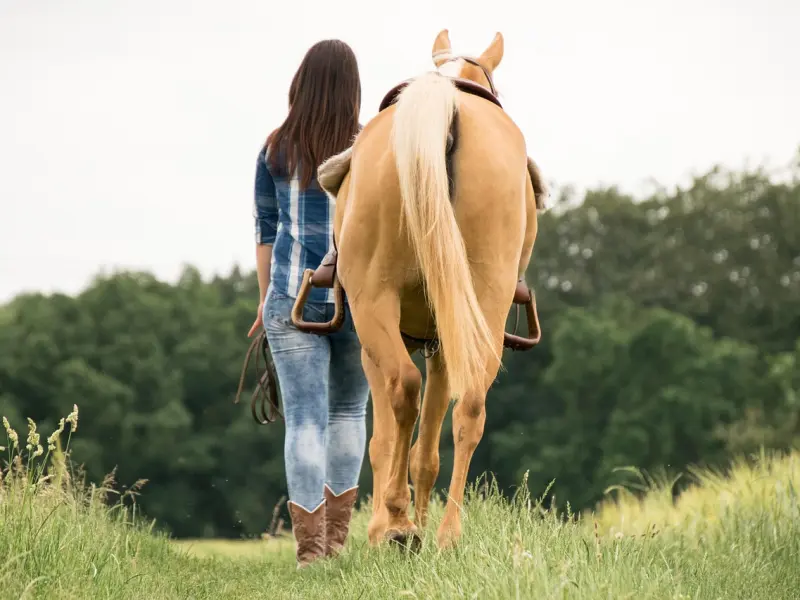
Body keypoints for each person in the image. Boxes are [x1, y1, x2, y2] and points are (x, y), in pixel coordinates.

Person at [248, 39, 370, 569]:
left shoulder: (275, 148)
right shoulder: (370, 147)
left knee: (303, 421)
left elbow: (266, 228)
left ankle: (310, 555)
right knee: (348, 412)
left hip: (292, 297)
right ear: (353, 89)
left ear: (301, 83)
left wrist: (264, 301)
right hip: (359, 297)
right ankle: (336, 548)